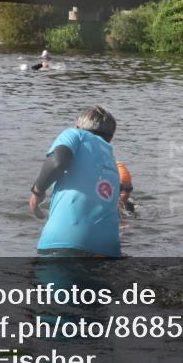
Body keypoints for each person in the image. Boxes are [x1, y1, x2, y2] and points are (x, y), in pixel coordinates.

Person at [29, 106, 122, 257]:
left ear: (78, 126)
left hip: (63, 245)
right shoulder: (112, 160)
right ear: (110, 138)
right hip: (109, 251)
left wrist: (36, 193)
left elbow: (57, 162)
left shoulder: (75, 134)